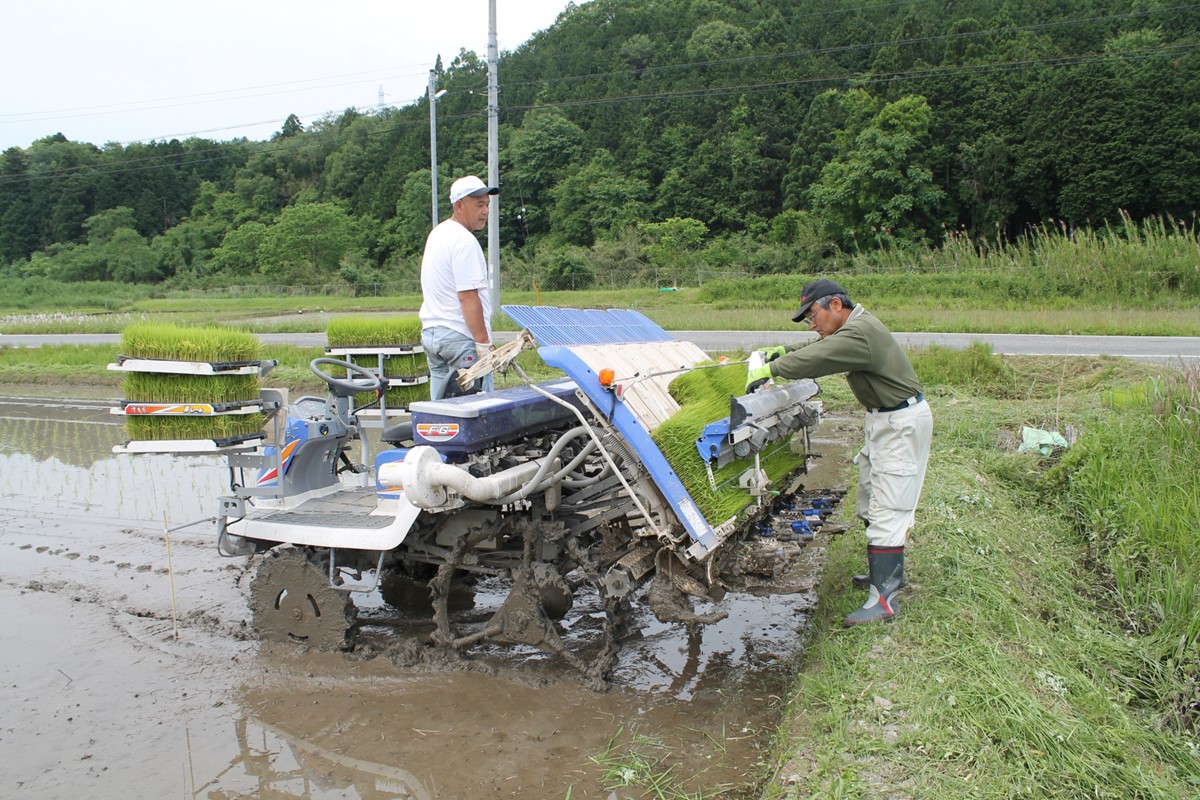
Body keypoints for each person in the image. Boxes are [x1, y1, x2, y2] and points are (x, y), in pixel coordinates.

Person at [746, 278, 933, 626]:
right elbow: (821, 346)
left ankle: (884, 602)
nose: (811, 324)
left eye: (812, 315)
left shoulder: (860, 333)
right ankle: (886, 574)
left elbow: (822, 356)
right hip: (883, 420)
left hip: (900, 424)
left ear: (835, 305)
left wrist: (772, 369)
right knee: (870, 496)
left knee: (889, 506)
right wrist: (785, 352)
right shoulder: (853, 329)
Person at [419, 175, 500, 400]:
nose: (485, 211)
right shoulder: (464, 241)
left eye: (487, 204)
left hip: (433, 334)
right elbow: (468, 297)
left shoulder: (438, 233)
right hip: (460, 337)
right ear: (459, 206)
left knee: (440, 415)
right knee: (477, 414)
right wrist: (483, 344)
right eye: (479, 205)